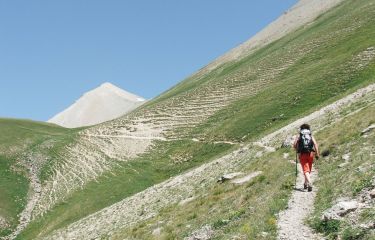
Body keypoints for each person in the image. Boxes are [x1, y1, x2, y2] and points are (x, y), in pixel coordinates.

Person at [293, 123, 320, 192]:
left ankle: (310, 183)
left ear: (301, 128)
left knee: (306, 170)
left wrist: (297, 150)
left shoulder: (299, 135)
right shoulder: (310, 134)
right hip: (311, 154)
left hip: (303, 154)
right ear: (308, 128)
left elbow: (294, 145)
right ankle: (305, 183)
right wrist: (317, 153)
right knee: (308, 170)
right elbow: (315, 144)